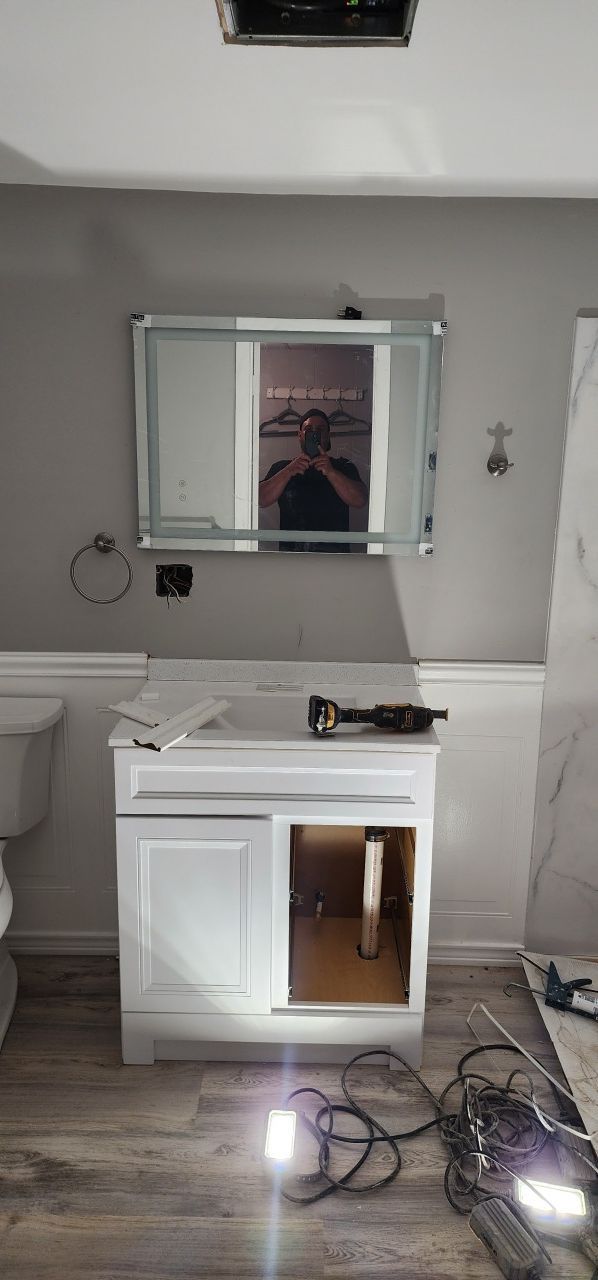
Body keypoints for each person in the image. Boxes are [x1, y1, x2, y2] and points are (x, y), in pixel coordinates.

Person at [258, 410, 368, 552]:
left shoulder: (343, 466)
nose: (314, 434)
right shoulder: (282, 468)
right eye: (308, 430)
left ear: (328, 436)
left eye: (320, 430)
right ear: (300, 435)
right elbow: (260, 500)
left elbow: (360, 500)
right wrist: (288, 471)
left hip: (334, 559)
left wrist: (331, 472)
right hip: (292, 558)